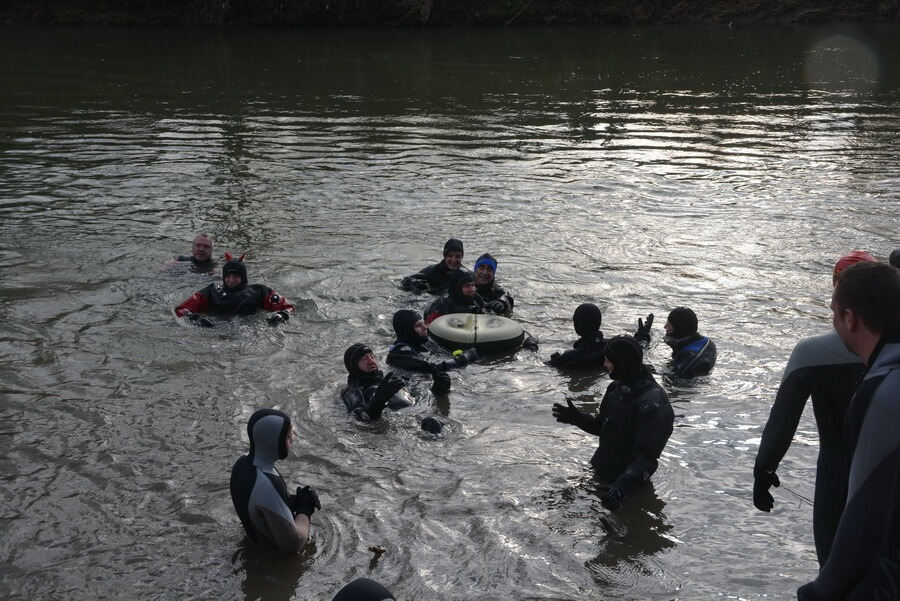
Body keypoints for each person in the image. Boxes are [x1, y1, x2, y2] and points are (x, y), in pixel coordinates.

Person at [753, 251, 875, 566]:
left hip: (837, 480)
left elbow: (781, 425)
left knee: (834, 571)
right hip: (887, 481)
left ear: (836, 293)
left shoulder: (811, 353)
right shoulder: (890, 352)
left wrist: (763, 472)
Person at [797, 261, 900, 599]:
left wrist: (819, 592)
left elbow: (865, 515)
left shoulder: (882, 393)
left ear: (850, 318)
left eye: (833, 311)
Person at [552, 335, 674, 512]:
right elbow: (604, 427)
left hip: (627, 487)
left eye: (608, 360)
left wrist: (620, 488)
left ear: (621, 363)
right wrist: (578, 418)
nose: (604, 364)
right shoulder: (616, 388)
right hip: (598, 472)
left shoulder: (653, 403)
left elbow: (647, 459)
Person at [229, 409, 320, 555]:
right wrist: (304, 511)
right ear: (273, 440)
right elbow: (293, 544)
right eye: (287, 435)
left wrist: (292, 501)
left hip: (252, 545)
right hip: (269, 559)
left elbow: (259, 507)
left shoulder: (243, 463)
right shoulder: (266, 484)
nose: (293, 439)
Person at [342, 343, 443, 433]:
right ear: (354, 366)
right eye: (364, 359)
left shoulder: (391, 379)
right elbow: (359, 419)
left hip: (418, 415)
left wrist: (438, 389)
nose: (371, 361)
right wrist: (376, 403)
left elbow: (418, 394)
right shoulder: (352, 391)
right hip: (402, 428)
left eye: (372, 357)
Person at [174, 254, 294, 326]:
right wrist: (195, 319)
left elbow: (288, 308)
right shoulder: (212, 291)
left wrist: (281, 315)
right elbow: (182, 309)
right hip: (217, 329)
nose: (231, 280)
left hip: (251, 330)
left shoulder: (260, 291)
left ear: (243, 277)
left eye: (236, 276)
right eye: (227, 276)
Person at [386, 309, 477, 394]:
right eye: (418, 325)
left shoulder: (423, 341)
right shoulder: (399, 354)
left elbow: (445, 356)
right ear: (407, 330)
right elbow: (430, 368)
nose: (425, 327)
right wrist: (463, 359)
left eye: (424, 323)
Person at [657, 307, 716, 378]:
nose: (665, 327)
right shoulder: (708, 342)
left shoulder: (688, 356)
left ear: (678, 329)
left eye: (669, 324)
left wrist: (642, 343)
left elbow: (671, 380)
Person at [548, 303, 607, 370]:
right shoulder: (611, 347)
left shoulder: (568, 357)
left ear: (577, 325)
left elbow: (546, 366)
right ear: (599, 322)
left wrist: (533, 347)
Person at [401, 238, 466, 294]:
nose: (454, 260)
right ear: (444, 256)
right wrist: (415, 284)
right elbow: (405, 282)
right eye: (450, 256)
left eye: (457, 256)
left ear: (462, 257)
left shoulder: (466, 275)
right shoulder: (432, 271)